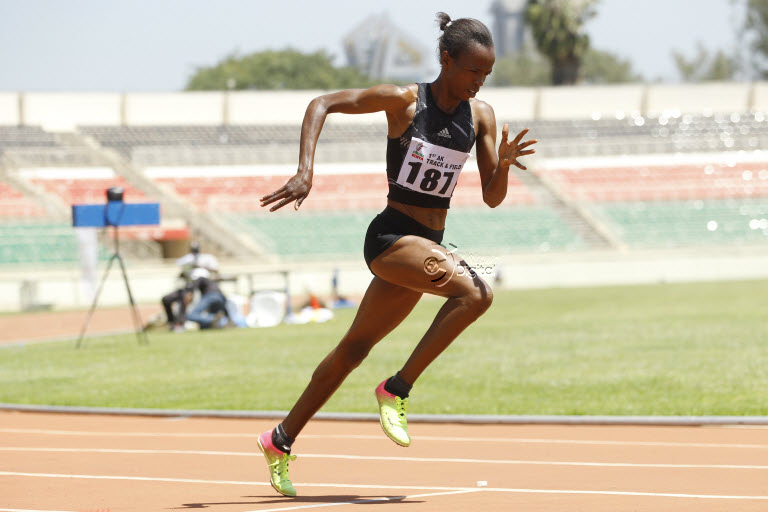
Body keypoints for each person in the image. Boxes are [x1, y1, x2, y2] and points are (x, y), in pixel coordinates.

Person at [257, 12, 536, 497]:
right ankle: (397, 388)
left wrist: (505, 166)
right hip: (391, 239)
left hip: (427, 244)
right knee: (477, 293)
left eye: (485, 75)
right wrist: (305, 170)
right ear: (445, 59)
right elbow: (322, 102)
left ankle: (279, 440)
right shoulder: (405, 101)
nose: (478, 82)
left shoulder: (482, 117)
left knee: (353, 349)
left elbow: (492, 197)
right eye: (472, 70)